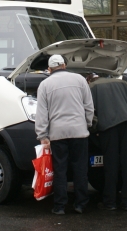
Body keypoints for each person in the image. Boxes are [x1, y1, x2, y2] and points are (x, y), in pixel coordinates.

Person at [35, 54, 94, 215]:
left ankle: (60, 206)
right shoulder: (80, 80)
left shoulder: (45, 85)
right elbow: (89, 106)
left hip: (57, 134)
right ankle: (81, 204)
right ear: (64, 65)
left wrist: (43, 135)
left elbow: (42, 113)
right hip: (79, 132)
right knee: (80, 169)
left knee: (60, 170)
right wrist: (87, 124)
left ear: (49, 69)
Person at [87, 74, 127, 211]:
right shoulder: (125, 85)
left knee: (111, 165)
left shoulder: (92, 87)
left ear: (91, 79)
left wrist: (95, 128)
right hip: (126, 124)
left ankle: (110, 202)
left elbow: (90, 111)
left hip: (107, 127)